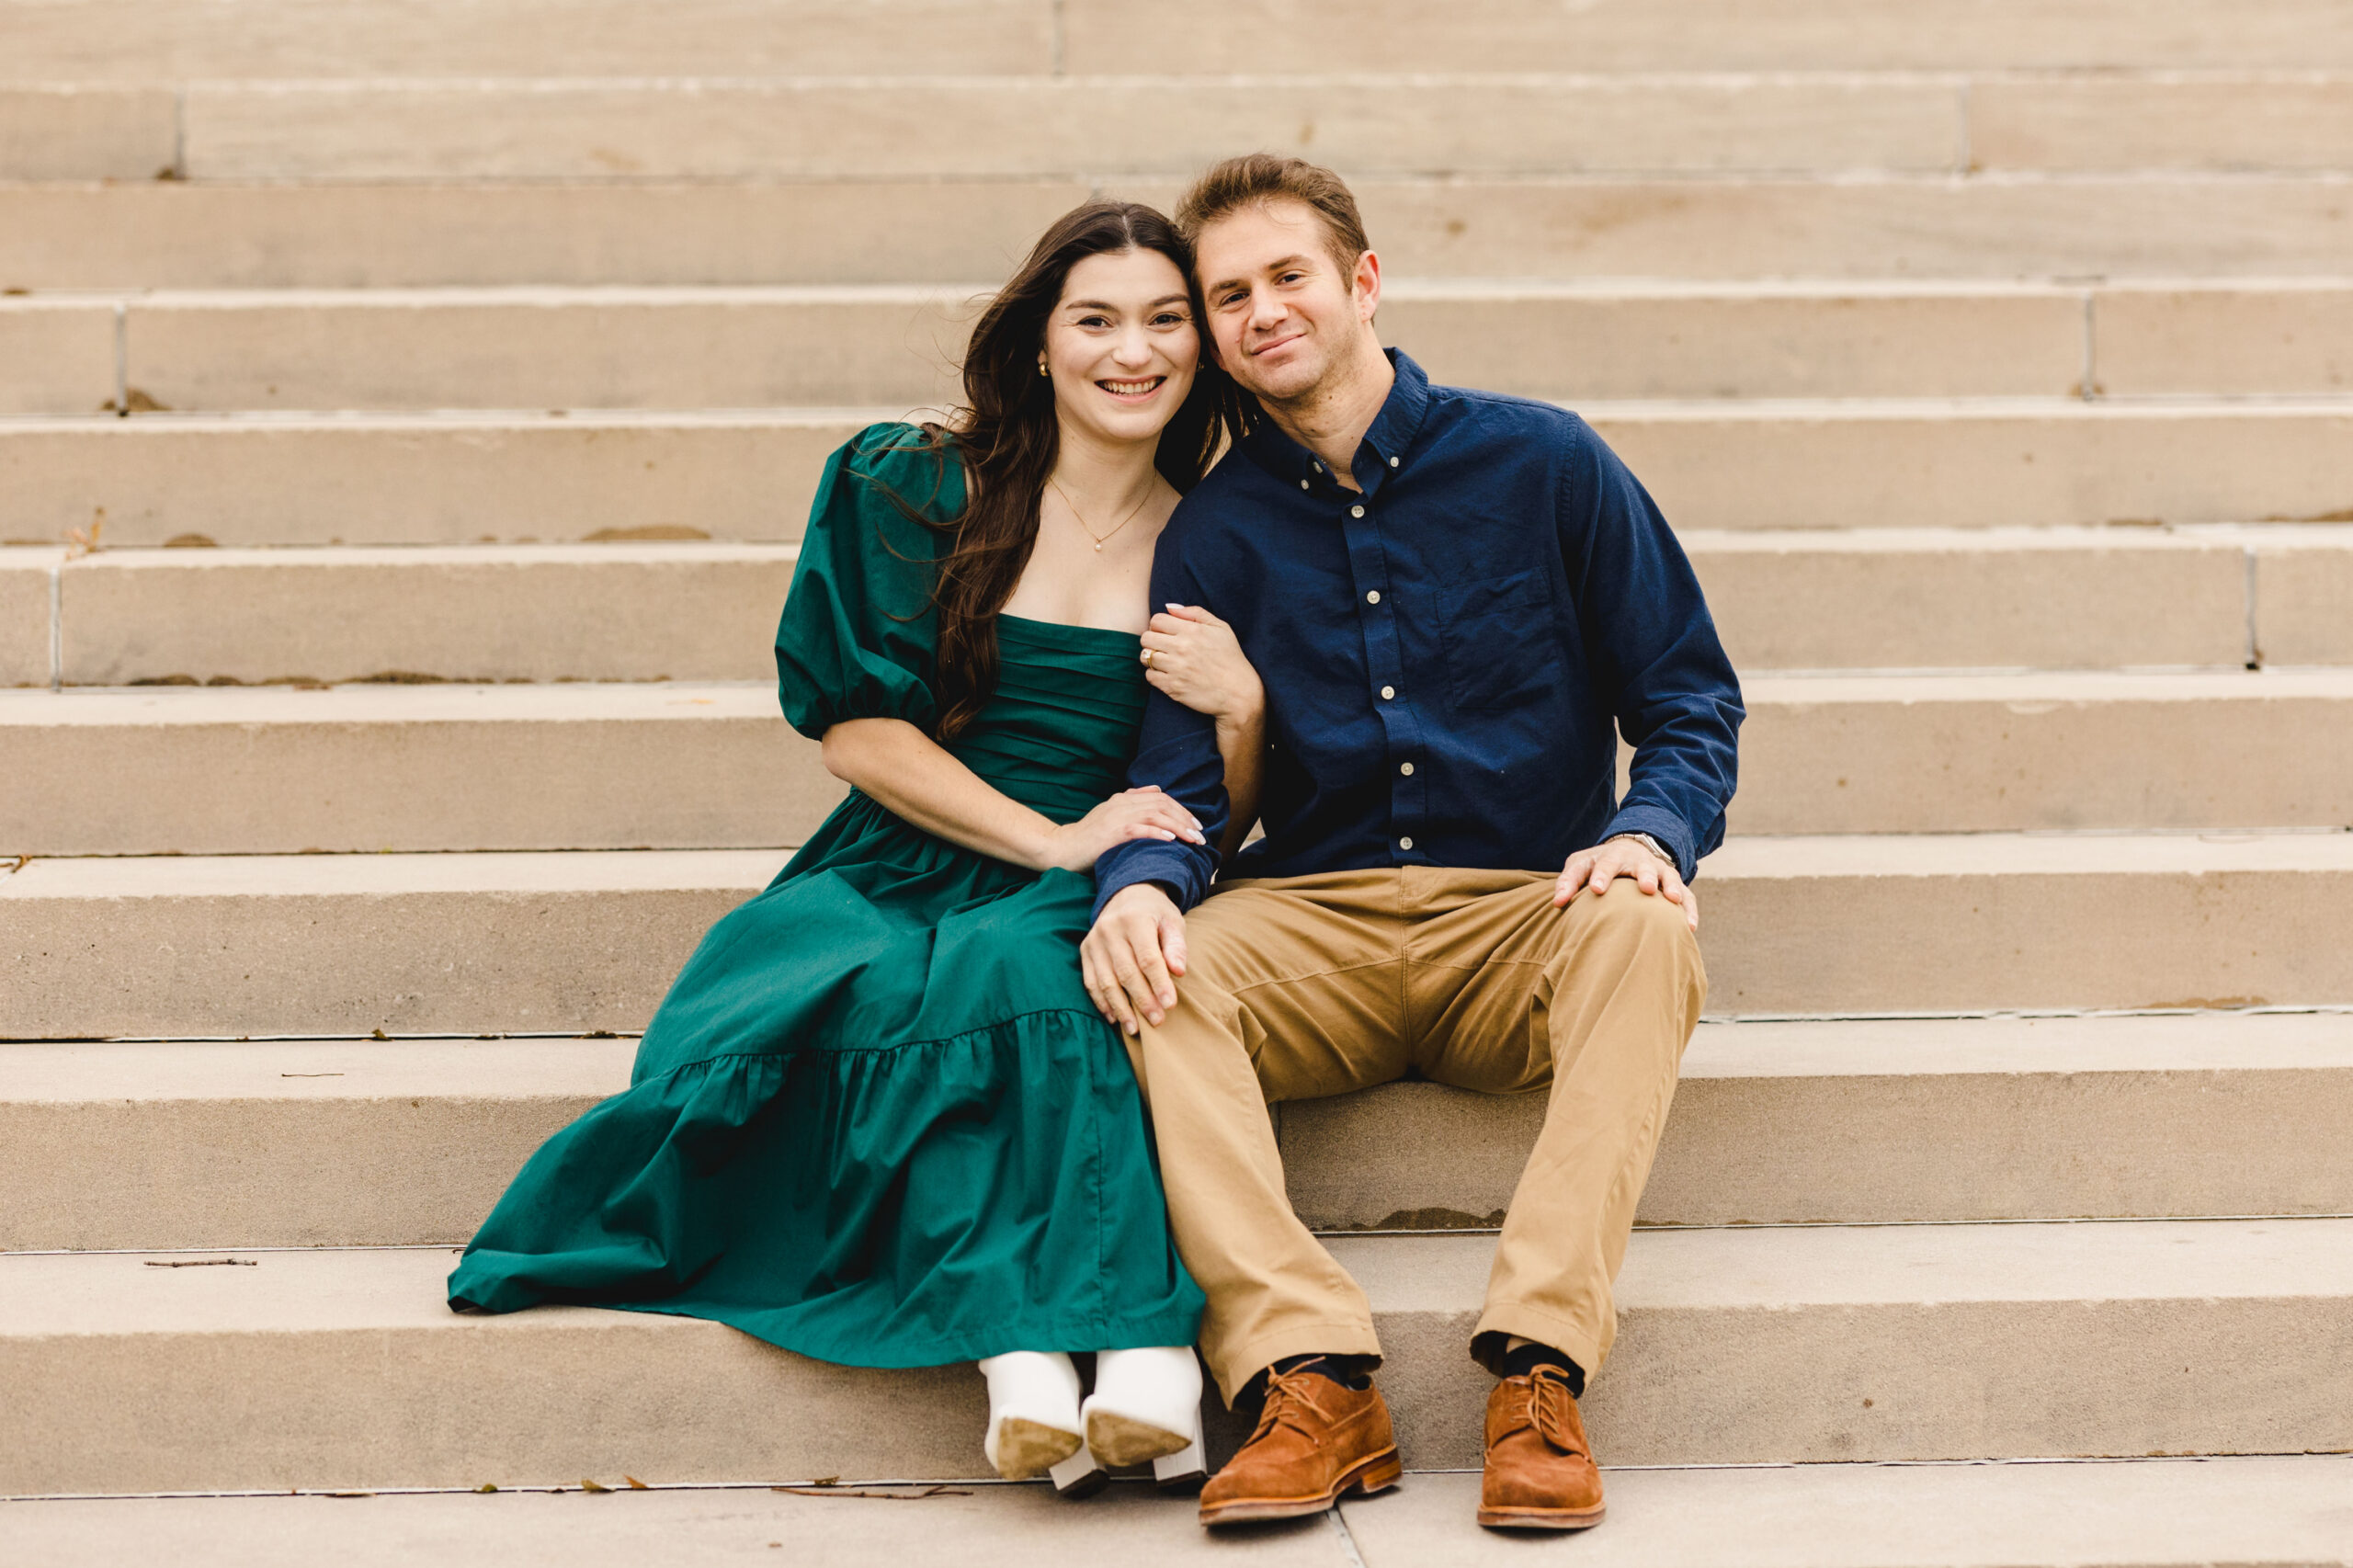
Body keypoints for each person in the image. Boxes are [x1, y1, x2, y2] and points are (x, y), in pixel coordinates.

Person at [449, 200, 1270, 1494]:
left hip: (1088, 867)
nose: (1135, 350)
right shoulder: (917, 481)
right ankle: (1044, 1352)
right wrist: (1051, 837)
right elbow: (858, 735)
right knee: (887, 987)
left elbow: (1204, 806)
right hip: (910, 853)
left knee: (1036, 971)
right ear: (1040, 340)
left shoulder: (1221, 535)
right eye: (1096, 319)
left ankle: (1108, 1356)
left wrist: (1246, 710)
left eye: (1167, 319)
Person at [1080, 154, 1744, 1533]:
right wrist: (1140, 883)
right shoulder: (1214, 530)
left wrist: (1652, 830)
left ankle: (1542, 1370)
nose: (1263, 311)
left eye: (1289, 277)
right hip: (1317, 916)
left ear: (1363, 281)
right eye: (1230, 296)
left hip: (1521, 914)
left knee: (1646, 925)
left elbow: (1688, 698)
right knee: (1160, 967)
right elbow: (1179, 783)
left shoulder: (1545, 462)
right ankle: (1309, 1377)